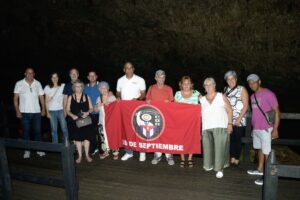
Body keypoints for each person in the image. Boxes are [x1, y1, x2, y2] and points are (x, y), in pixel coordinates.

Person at [246, 74, 280, 186]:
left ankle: (267, 176)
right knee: (260, 149)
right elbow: (255, 114)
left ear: (259, 82)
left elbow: (277, 112)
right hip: (257, 129)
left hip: (266, 129)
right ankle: (260, 169)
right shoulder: (252, 97)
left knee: (267, 152)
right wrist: (253, 128)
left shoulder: (268, 94)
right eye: (250, 83)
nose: (252, 85)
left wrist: (275, 129)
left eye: (254, 82)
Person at [200, 77, 233, 178]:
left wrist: (230, 124)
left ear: (214, 85)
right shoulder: (201, 99)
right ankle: (209, 165)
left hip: (220, 126)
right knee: (207, 148)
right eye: (206, 85)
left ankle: (219, 169)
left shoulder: (221, 96)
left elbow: (230, 110)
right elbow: (200, 116)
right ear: (204, 87)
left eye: (210, 84)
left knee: (220, 148)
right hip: (206, 127)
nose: (208, 86)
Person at [116, 62, 146, 161]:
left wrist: (137, 100)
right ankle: (129, 152)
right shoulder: (120, 80)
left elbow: (143, 94)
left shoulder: (140, 79)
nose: (128, 70)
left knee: (139, 129)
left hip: (136, 108)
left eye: (130, 68)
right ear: (124, 70)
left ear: (133, 69)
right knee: (126, 130)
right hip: (124, 109)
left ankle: (142, 152)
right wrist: (118, 97)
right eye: (126, 68)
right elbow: (118, 92)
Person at [13, 67, 46, 158]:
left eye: (32, 73)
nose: (30, 74)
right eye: (28, 73)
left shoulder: (37, 83)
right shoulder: (19, 83)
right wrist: (17, 111)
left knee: (38, 132)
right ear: (25, 74)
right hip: (24, 112)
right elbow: (15, 99)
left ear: (34, 74)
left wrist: (43, 109)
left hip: (36, 112)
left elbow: (41, 97)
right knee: (26, 132)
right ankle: (27, 150)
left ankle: (39, 149)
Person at [146, 70, 175, 166]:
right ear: (155, 78)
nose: (161, 79)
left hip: (166, 116)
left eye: (163, 77)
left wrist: (169, 102)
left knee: (167, 135)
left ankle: (169, 156)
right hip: (154, 115)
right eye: (159, 77)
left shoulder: (169, 89)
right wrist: (148, 101)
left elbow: (172, 102)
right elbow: (146, 99)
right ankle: (157, 156)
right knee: (156, 135)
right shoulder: (151, 88)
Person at [174, 76, 201, 168]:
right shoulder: (177, 94)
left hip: (193, 122)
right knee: (181, 139)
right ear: (180, 84)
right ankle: (182, 158)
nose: (186, 85)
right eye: (184, 83)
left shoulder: (196, 93)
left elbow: (205, 102)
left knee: (192, 139)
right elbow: (174, 108)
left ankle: (190, 158)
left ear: (191, 84)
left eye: (188, 83)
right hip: (181, 121)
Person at [66, 80, 95, 163]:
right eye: (76, 86)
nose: (78, 88)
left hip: (86, 120)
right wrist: (72, 115)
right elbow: (67, 110)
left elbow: (91, 108)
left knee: (87, 138)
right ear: (74, 88)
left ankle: (87, 155)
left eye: (80, 86)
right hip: (75, 121)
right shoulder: (71, 97)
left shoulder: (86, 96)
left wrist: (88, 112)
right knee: (78, 139)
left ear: (82, 87)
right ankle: (80, 156)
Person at [224, 70, 249, 166]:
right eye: (228, 79)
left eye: (232, 78)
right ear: (226, 81)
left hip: (239, 119)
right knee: (230, 139)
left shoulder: (241, 89)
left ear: (236, 79)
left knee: (237, 139)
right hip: (228, 120)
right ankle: (232, 158)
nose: (231, 81)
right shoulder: (225, 90)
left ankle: (236, 159)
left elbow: (246, 105)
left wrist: (239, 118)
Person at [94, 81, 119, 160]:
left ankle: (115, 152)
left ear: (108, 89)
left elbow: (117, 107)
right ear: (99, 90)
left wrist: (110, 103)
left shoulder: (112, 97)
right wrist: (98, 105)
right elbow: (95, 111)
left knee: (113, 136)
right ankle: (106, 151)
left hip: (112, 122)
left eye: (105, 88)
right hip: (102, 121)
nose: (103, 90)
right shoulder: (99, 98)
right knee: (103, 137)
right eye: (101, 88)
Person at [44, 72, 68, 144]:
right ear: (51, 78)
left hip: (61, 110)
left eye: (56, 77)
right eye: (53, 77)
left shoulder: (63, 86)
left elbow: (65, 99)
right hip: (51, 111)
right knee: (54, 130)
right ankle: (55, 147)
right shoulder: (47, 87)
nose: (55, 78)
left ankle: (66, 145)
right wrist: (47, 112)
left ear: (58, 78)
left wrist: (65, 110)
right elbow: (46, 101)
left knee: (64, 129)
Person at [83, 70, 100, 156]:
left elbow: (107, 93)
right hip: (89, 113)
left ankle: (102, 149)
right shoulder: (85, 87)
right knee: (90, 132)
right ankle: (94, 148)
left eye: (94, 75)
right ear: (88, 77)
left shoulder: (101, 85)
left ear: (96, 77)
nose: (92, 77)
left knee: (100, 132)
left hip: (99, 113)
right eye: (90, 76)